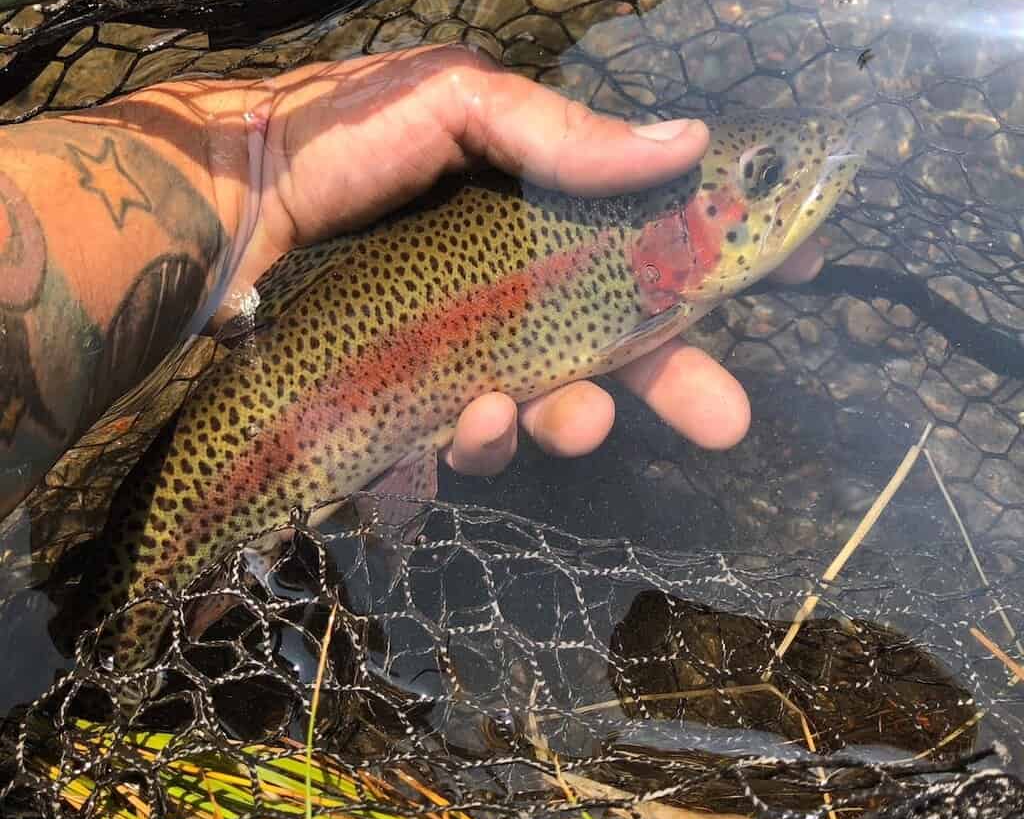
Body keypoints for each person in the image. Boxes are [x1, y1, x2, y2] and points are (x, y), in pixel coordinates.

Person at [0, 44, 823, 519]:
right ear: (675, 232)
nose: (791, 183)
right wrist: (249, 179)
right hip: (243, 442)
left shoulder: (643, 274)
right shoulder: (649, 279)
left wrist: (240, 182)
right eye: (766, 172)